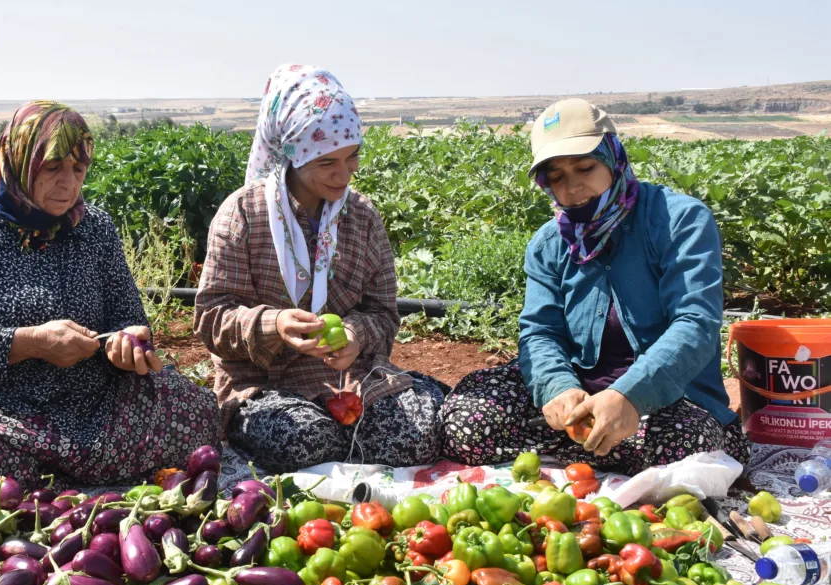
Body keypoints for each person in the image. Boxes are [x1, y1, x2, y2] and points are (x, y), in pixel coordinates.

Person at [0, 101, 220, 493]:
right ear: (19, 161)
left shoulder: (94, 228)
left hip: (87, 405)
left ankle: (37, 478)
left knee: (198, 414)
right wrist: (31, 343)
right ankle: (76, 469)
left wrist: (125, 343)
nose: (69, 184)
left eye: (78, 169)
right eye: (52, 168)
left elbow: (127, 316)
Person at [440, 98, 749, 473]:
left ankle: (575, 452)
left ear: (613, 156)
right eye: (556, 177)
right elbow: (540, 331)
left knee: (684, 443)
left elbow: (695, 324)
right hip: (580, 389)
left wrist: (628, 396)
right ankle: (594, 450)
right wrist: (558, 388)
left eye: (585, 167)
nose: (573, 188)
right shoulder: (549, 243)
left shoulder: (679, 220)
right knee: (466, 419)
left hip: (666, 399)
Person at [194, 64, 447, 473]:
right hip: (266, 386)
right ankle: (335, 442)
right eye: (328, 162)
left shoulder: (361, 216)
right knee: (303, 439)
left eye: (353, 157)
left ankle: (351, 440)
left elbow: (384, 312)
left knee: (413, 437)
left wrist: (354, 335)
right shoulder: (244, 213)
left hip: (352, 381)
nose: (344, 174)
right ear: (294, 153)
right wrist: (274, 326)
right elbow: (210, 317)